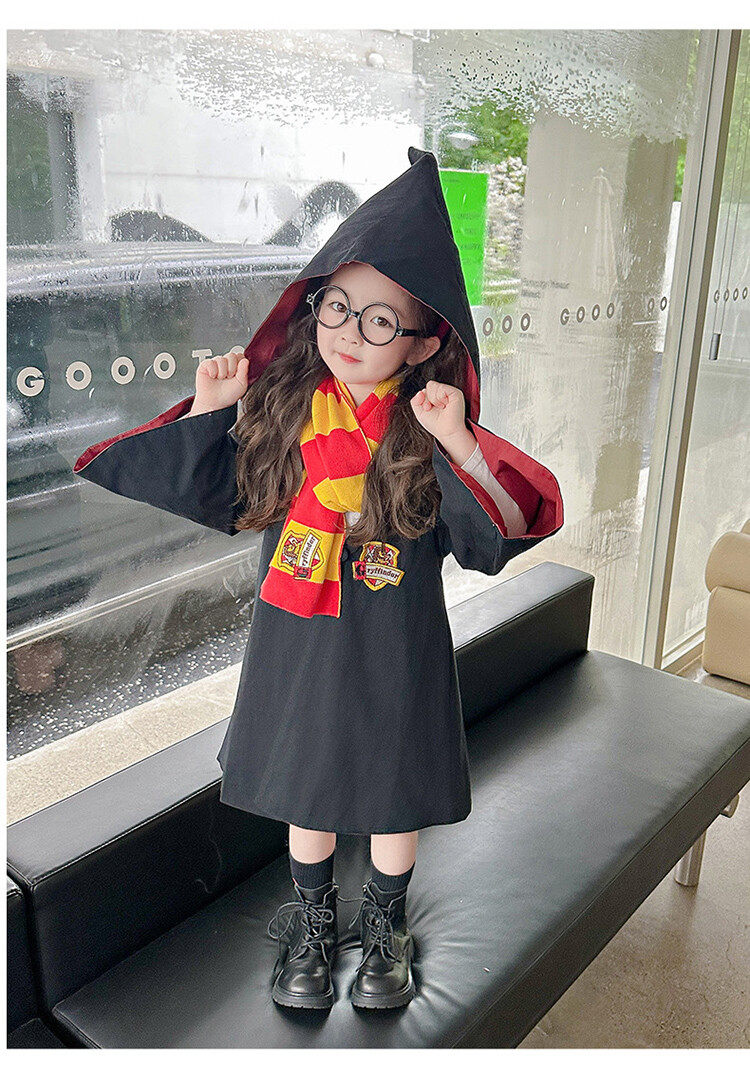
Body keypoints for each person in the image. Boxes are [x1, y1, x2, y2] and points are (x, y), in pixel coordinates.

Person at [73, 147, 564, 1013]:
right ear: (313, 306)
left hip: (396, 644)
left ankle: (386, 930)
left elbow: (489, 537)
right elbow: (228, 498)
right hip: (297, 642)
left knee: (392, 796)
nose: (350, 332)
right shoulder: (286, 409)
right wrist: (214, 411)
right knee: (306, 787)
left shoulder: (422, 428)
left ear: (425, 342)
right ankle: (311, 924)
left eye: (380, 321)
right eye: (338, 306)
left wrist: (457, 441)